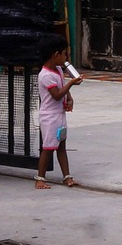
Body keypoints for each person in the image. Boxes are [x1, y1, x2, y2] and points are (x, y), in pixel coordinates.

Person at [35, 35, 82, 188]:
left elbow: (62, 92)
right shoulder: (45, 76)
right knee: (48, 148)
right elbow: (56, 95)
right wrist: (71, 84)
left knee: (61, 146)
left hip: (59, 116)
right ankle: (40, 178)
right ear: (56, 55)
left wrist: (69, 98)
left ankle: (67, 176)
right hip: (50, 118)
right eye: (64, 53)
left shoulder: (59, 71)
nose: (66, 57)